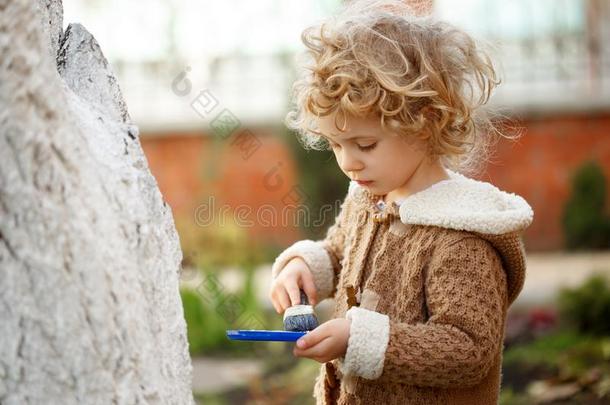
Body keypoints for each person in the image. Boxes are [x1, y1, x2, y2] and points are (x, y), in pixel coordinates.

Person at [268, 1, 534, 403]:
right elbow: (342, 253)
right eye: (335, 144)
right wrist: (307, 267)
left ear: (425, 122)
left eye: (365, 144)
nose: (347, 162)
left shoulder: (462, 237)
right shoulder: (369, 197)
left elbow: (468, 349)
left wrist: (359, 338)